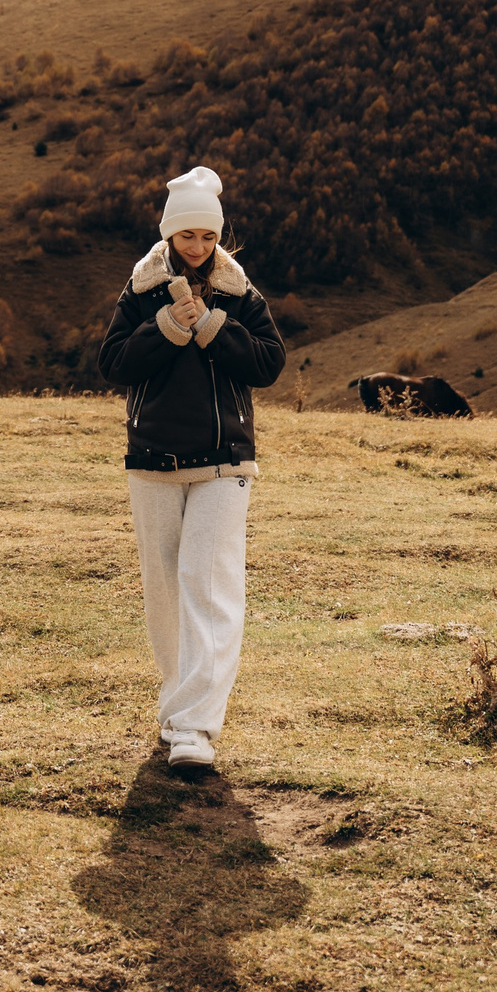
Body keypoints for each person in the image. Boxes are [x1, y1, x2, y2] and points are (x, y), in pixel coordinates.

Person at [96, 165, 288, 771]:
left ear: (220, 236)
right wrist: (163, 329)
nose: (199, 249)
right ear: (169, 235)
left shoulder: (239, 293)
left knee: (209, 586)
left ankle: (195, 730)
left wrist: (211, 327)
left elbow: (268, 365)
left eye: (209, 237)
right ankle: (178, 707)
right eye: (188, 237)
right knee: (164, 594)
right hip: (151, 459)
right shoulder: (142, 289)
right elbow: (113, 365)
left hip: (226, 461)